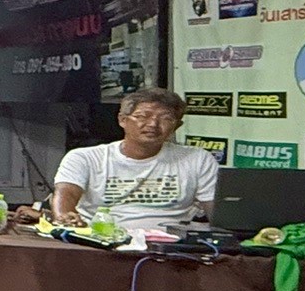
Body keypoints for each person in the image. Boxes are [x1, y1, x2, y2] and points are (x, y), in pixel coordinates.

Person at [53, 89, 218, 237]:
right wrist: (66, 218)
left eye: (166, 118)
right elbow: (66, 196)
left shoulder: (197, 159)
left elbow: (218, 215)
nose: (153, 124)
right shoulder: (85, 158)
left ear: (177, 126)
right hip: (102, 241)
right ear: (122, 120)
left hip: (171, 245)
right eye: (142, 116)